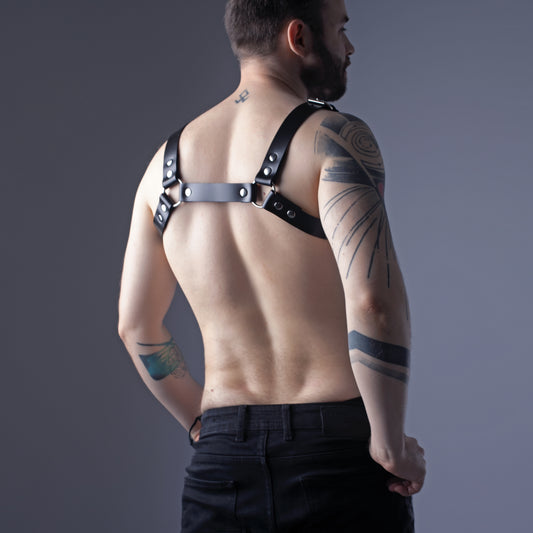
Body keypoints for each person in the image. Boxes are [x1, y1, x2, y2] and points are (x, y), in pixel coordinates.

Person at [118, 0, 426, 531]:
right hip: (334, 454)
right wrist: (389, 442)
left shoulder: (161, 168)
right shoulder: (333, 139)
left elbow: (136, 326)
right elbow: (373, 301)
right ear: (298, 37)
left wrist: (201, 424)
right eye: (341, 29)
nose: (350, 47)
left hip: (219, 462)